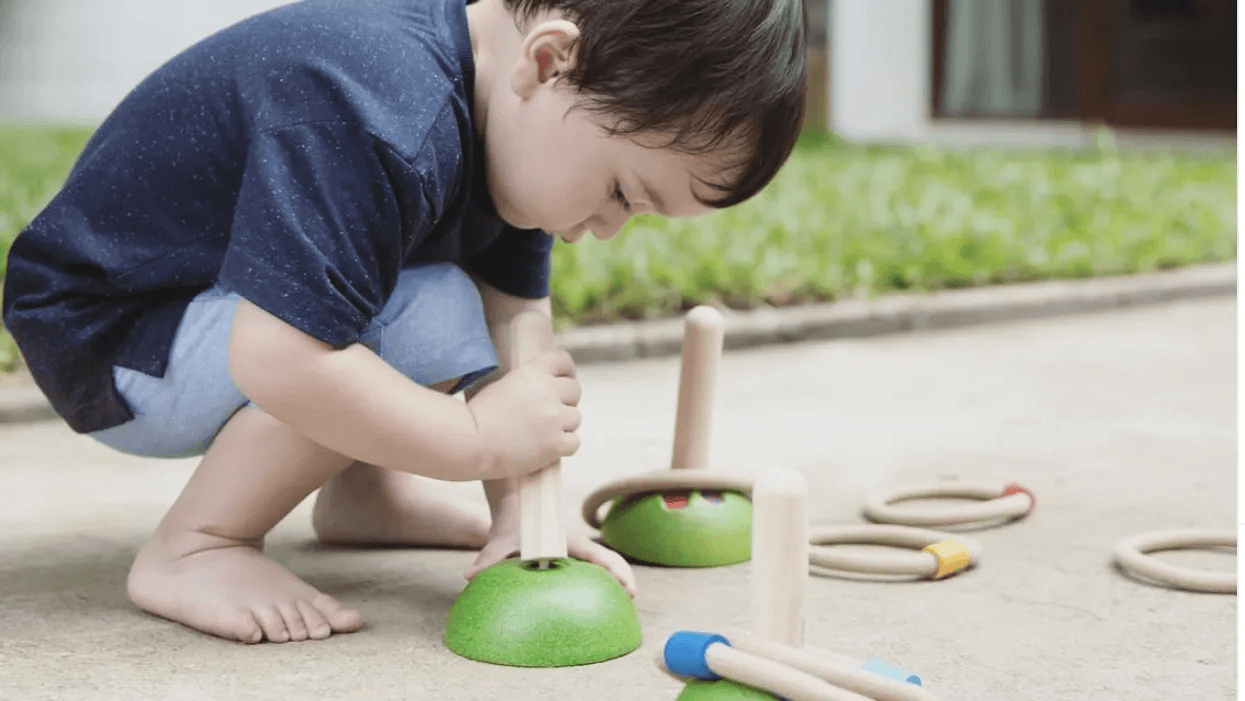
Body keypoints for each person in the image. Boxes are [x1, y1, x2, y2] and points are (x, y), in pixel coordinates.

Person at [2, 0, 806, 644]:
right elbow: (276, 356)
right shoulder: (377, 104)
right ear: (548, 62)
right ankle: (198, 544)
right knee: (424, 311)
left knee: (430, 299)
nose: (606, 226)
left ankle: (363, 498)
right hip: (116, 336)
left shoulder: (515, 122)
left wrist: (522, 516)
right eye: (623, 193)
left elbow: (514, 326)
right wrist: (476, 442)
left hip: (199, 311)